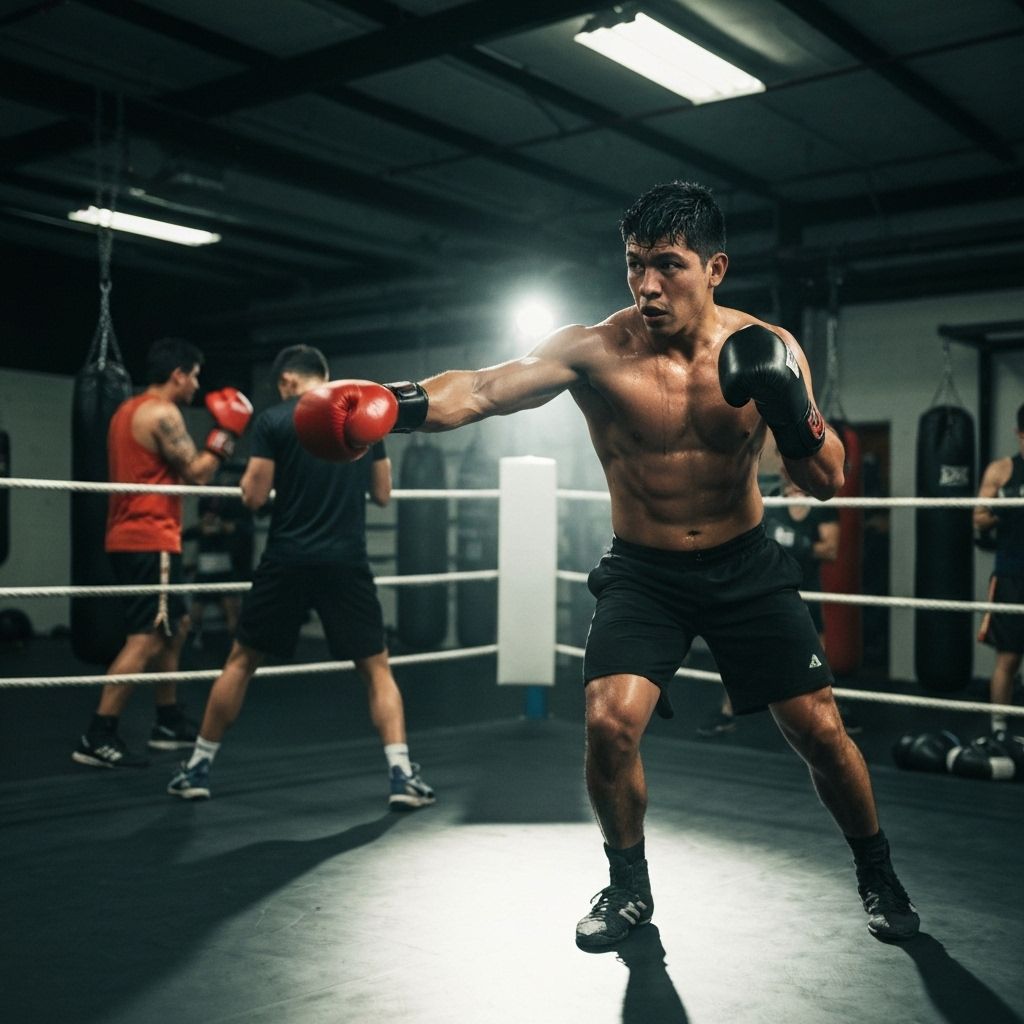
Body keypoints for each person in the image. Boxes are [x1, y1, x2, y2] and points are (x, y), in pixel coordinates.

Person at [291, 181, 919, 945]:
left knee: (819, 730)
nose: (648, 286)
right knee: (608, 725)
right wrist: (393, 403)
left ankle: (877, 872)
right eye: (634, 265)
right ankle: (629, 889)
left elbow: (826, 481)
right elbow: (485, 388)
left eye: (669, 265)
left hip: (746, 564)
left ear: (715, 268)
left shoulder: (770, 346)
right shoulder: (596, 349)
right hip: (645, 572)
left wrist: (791, 408)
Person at [167, 344, 435, 811]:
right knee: (376, 670)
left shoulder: (274, 421)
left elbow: (252, 498)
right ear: (324, 375)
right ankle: (400, 774)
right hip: (346, 560)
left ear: (288, 381)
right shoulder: (362, 417)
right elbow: (384, 495)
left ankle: (198, 768)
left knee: (241, 661)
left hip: (287, 557)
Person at [72, 337, 253, 768]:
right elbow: (197, 475)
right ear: (178, 374)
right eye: (193, 376)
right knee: (147, 636)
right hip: (150, 536)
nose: (196, 385)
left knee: (176, 625)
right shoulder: (163, 413)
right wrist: (226, 432)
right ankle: (98, 734)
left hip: (130, 535)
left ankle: (168, 719)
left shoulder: (126, 410)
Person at [697, 462, 841, 736]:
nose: (794, 478)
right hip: (767, 583)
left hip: (804, 586)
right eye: (790, 473)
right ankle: (728, 710)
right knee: (743, 646)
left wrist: (798, 542)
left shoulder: (822, 506)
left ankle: (830, 710)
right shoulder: (771, 500)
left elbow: (831, 549)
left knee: (815, 656)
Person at [974, 402, 1024, 736]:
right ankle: (999, 729)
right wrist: (1002, 509)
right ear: (1020, 434)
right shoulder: (1002, 471)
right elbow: (978, 517)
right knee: (1009, 656)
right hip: (1011, 574)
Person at [183, 469, 254, 647]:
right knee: (195, 615)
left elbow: (242, 529)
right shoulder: (203, 517)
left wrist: (223, 527)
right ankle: (196, 641)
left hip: (223, 566)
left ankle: (235, 648)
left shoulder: (231, 514)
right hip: (206, 568)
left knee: (232, 614)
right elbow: (187, 534)